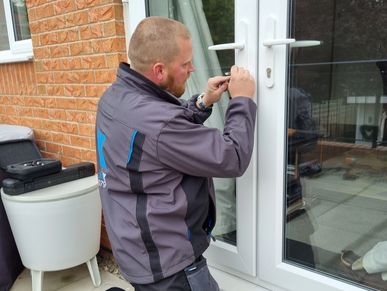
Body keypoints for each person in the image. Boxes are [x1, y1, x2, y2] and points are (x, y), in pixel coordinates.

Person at [95, 16, 256, 291]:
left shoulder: (114, 98)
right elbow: (232, 157)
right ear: (159, 70)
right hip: (169, 266)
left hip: (134, 249)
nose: (193, 68)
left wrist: (202, 102)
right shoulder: (159, 123)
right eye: (185, 64)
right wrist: (242, 100)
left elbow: (157, 137)